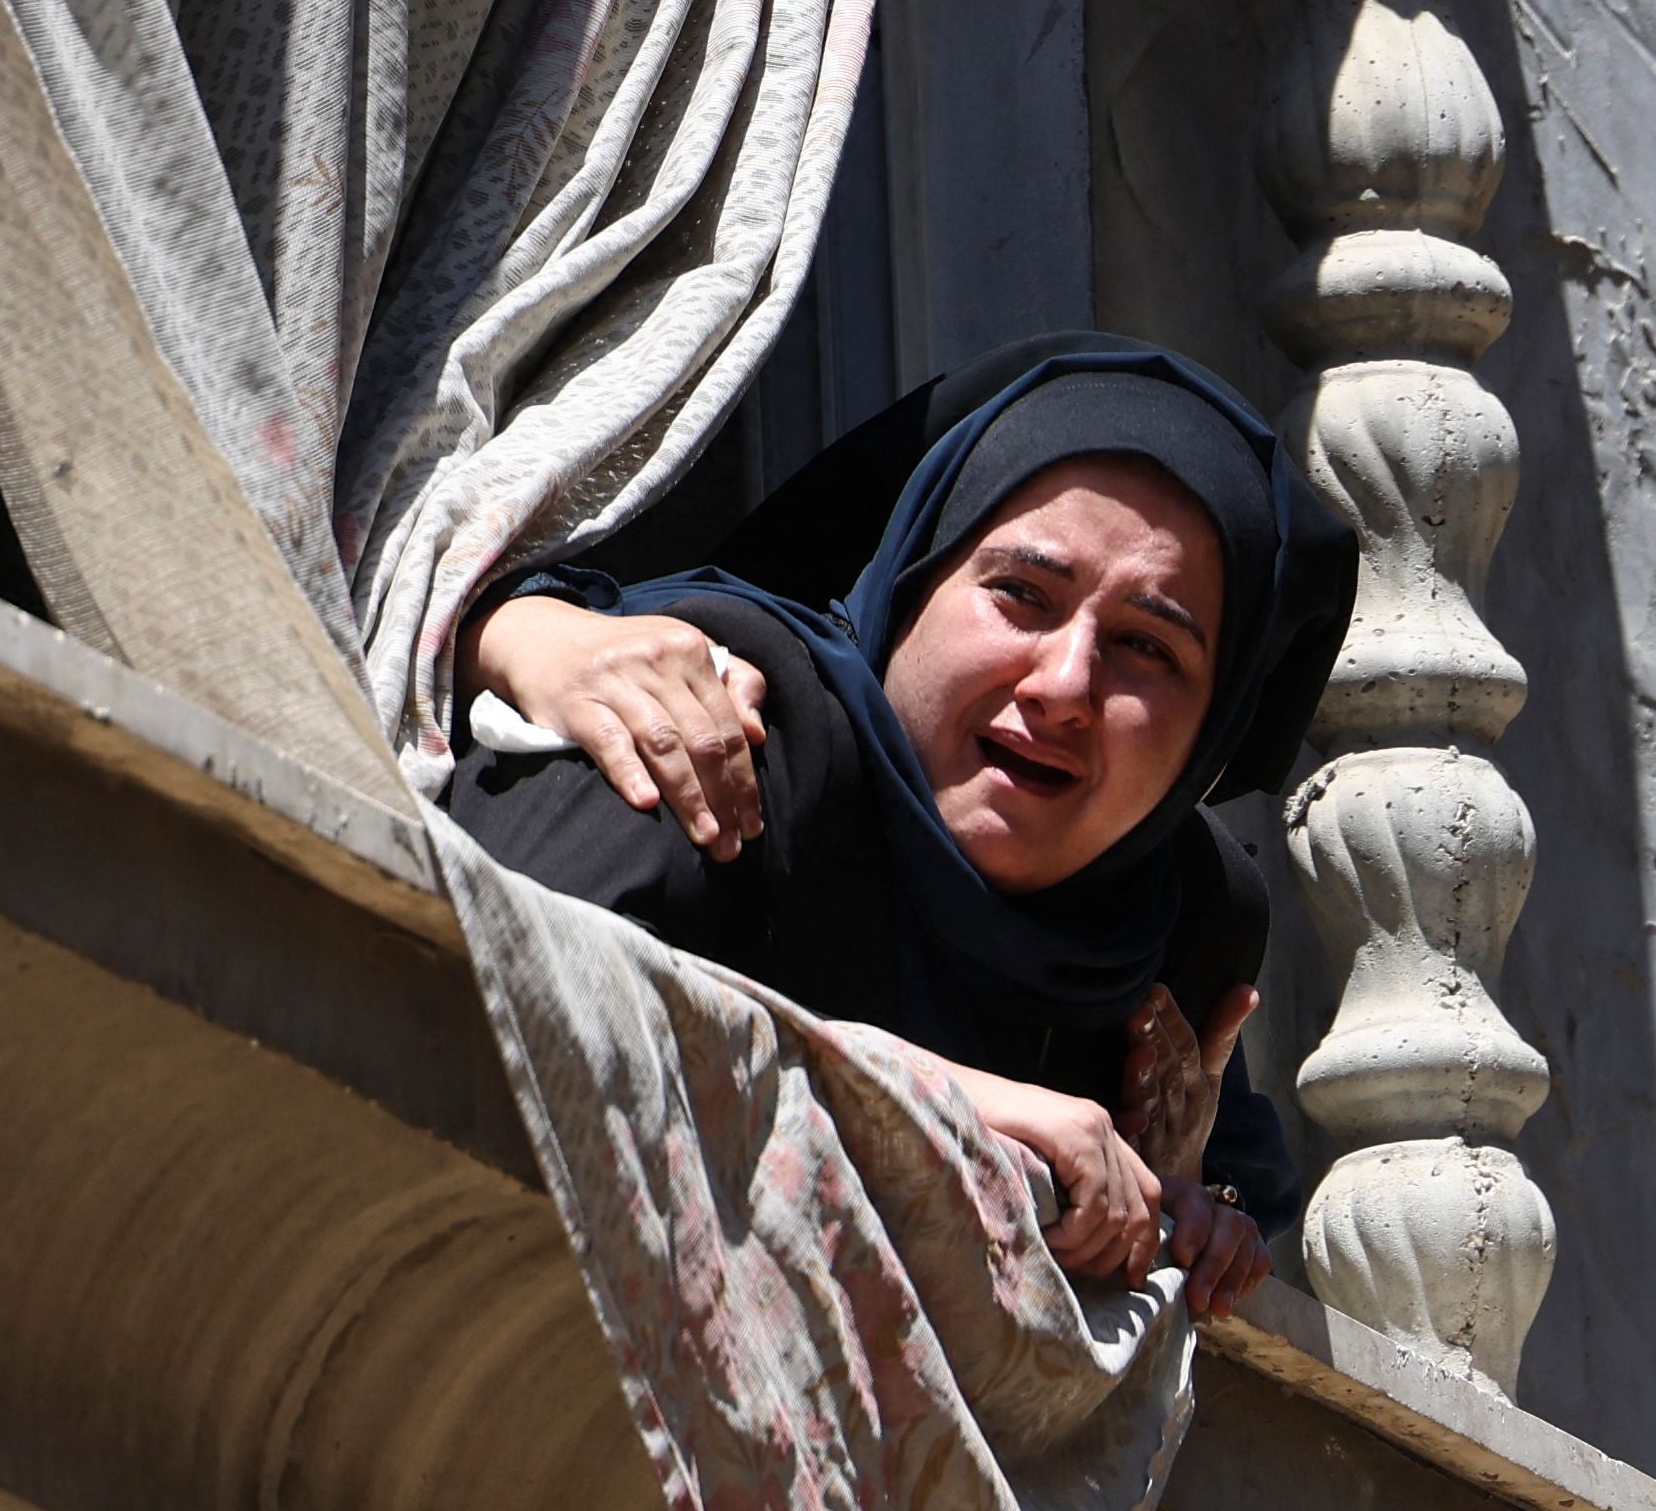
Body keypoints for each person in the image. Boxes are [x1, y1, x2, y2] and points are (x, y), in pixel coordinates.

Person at [441, 338, 1353, 1316]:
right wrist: (938, 1101)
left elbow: (1211, 1197)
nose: (1064, 687)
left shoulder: (1171, 942)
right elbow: (479, 981)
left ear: (1208, 734)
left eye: (1147, 646)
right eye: (1021, 595)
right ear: (916, 581)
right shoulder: (729, 730)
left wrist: (1195, 1219)